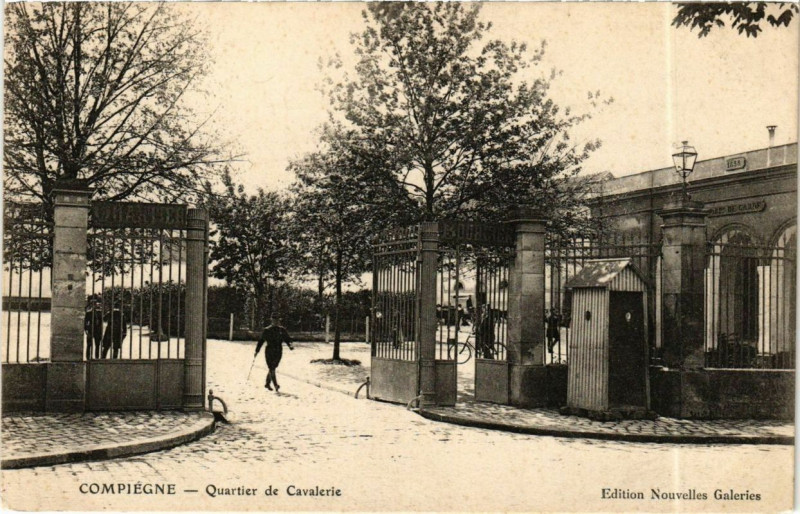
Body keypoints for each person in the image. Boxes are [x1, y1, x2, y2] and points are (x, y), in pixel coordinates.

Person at [254, 316, 294, 392]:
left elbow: (287, 339)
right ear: (271, 321)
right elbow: (261, 341)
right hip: (269, 350)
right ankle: (276, 385)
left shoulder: (282, 330)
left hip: (278, 350)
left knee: (273, 367)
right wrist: (257, 351)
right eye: (274, 320)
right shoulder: (267, 330)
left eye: (277, 320)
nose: (276, 322)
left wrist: (290, 345)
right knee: (272, 367)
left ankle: (267, 383)